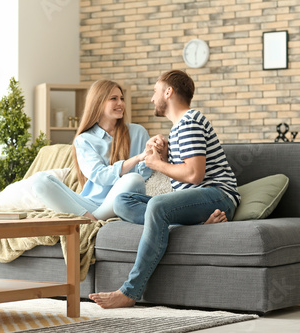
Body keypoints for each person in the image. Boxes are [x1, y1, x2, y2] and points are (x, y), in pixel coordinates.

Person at [89, 70, 240, 308]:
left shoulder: (190, 121)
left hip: (218, 197)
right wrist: (165, 153)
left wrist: (158, 163)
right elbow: (185, 168)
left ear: (168, 92)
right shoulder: (180, 127)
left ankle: (130, 291)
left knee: (158, 205)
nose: (152, 98)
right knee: (122, 202)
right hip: (198, 201)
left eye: (155, 91)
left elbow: (194, 174)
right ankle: (196, 227)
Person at [32, 79, 152, 221]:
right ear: (98, 103)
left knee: (134, 179)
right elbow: (99, 175)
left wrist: (153, 153)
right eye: (114, 98)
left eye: (122, 98)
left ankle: (92, 220)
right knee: (40, 180)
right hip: (89, 204)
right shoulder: (84, 140)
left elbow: (145, 175)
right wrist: (136, 159)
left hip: (121, 201)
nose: (120, 103)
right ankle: (91, 216)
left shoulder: (138, 132)